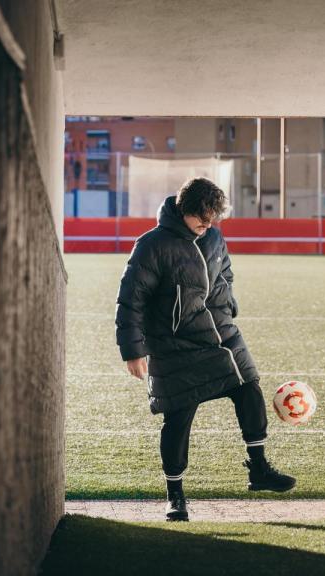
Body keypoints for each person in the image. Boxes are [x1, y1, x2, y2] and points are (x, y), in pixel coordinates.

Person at [115, 177, 295, 521]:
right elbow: (130, 300)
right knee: (178, 418)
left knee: (248, 387)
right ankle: (175, 496)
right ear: (184, 210)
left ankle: (259, 469)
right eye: (202, 217)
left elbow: (225, 273)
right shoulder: (151, 245)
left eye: (213, 218)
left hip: (220, 336)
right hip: (174, 345)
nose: (208, 224)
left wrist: (228, 306)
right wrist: (132, 351)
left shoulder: (213, 237)